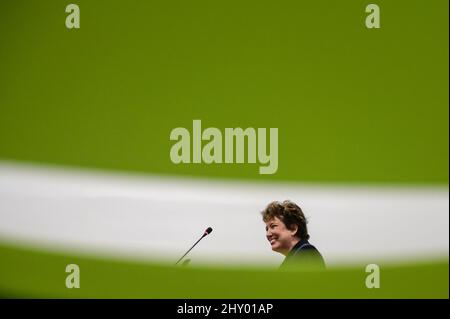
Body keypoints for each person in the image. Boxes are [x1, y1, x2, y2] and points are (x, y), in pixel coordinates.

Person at [261, 200, 325, 270]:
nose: (268, 234)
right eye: (267, 229)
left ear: (293, 229)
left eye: (273, 226)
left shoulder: (306, 254)